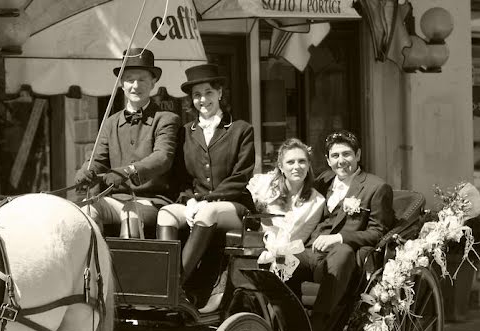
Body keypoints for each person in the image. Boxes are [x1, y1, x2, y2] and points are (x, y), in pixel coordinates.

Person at [156, 63, 255, 313]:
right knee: (165, 213)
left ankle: (174, 286)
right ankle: (166, 280)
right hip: (195, 204)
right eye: (197, 95)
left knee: (207, 213)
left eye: (209, 92)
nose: (203, 99)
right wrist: (188, 200)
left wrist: (207, 200)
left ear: (220, 93)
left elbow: (240, 176)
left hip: (234, 206)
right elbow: (179, 178)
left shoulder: (241, 129)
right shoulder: (184, 133)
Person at [290, 130, 395, 331]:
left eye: (346, 154)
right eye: (335, 156)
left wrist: (339, 238)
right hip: (310, 251)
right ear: (328, 160)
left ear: (358, 155)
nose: (341, 161)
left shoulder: (376, 187)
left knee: (343, 251)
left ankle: (318, 329)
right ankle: (285, 322)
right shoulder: (321, 182)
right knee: (280, 260)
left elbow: (377, 231)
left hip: (343, 259)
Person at [74, 48, 180, 238]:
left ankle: (126, 268)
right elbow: (98, 160)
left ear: (153, 83)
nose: (135, 85)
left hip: (152, 201)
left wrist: (128, 171)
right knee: (84, 212)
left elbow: (162, 157)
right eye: (130, 79)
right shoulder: (110, 122)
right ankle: (93, 266)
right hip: (115, 200)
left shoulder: (166, 119)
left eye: (142, 79)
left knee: (131, 213)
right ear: (122, 84)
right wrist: (86, 171)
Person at [253, 138, 326, 245]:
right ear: (281, 166)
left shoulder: (317, 201)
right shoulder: (263, 185)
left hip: (289, 254)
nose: (296, 167)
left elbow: (300, 238)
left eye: (302, 161)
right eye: (290, 162)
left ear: (308, 164)